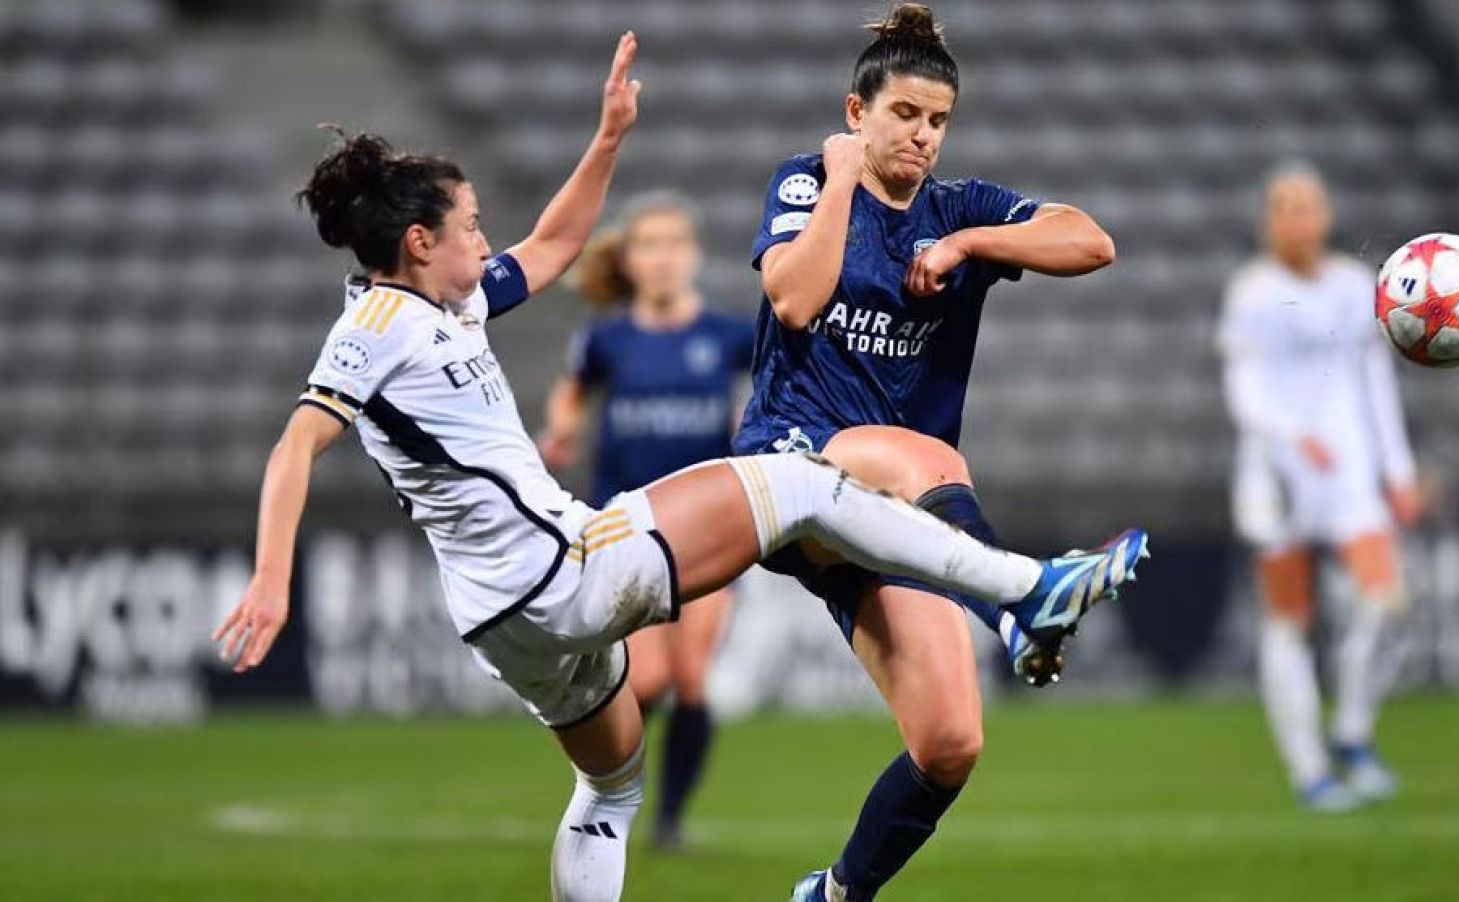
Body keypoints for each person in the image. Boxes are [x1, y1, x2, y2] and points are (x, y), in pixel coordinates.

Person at [210, 34, 1146, 902]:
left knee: (611, 789)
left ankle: (848, 865)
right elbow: (299, 439)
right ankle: (1028, 588)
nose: (486, 240)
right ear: (421, 243)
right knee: (804, 487)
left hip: (500, 622)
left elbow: (552, 246)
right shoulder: (375, 326)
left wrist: (608, 139)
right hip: (564, 563)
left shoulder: (443, 306)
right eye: (470, 225)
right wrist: (269, 578)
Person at [726, 6, 1144, 900]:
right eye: (904, 115)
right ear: (856, 112)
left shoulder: (959, 210)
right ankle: (1021, 603)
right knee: (932, 462)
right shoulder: (804, 182)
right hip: (795, 464)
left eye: (937, 121)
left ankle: (835, 893)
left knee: (951, 743)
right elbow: (795, 304)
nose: (921, 135)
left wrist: (966, 243)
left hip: (893, 517)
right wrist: (840, 183)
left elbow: (1092, 241)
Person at [540, 191, 754, 850]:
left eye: (673, 244)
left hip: (710, 529)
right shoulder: (608, 338)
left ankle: (668, 822)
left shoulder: (727, 336)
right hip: (626, 529)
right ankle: (616, 789)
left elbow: (768, 395)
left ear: (692, 254)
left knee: (690, 678)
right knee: (651, 679)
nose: (662, 258)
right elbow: (574, 388)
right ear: (629, 259)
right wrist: (562, 429)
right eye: (649, 244)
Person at [1218, 162, 1422, 812]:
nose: (1298, 219)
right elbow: (1242, 390)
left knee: (1384, 603)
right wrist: (1290, 432)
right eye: (1285, 207)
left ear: (1326, 217)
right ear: (1267, 221)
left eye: (1308, 207)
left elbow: (1377, 386)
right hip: (1275, 477)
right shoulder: (1252, 292)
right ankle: (1311, 772)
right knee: (1289, 623)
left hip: (1350, 472)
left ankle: (1353, 733)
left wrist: (1399, 471)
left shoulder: (1356, 285)